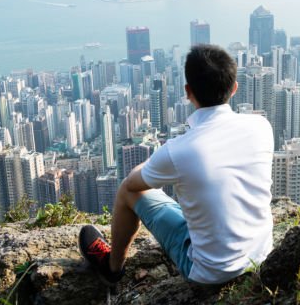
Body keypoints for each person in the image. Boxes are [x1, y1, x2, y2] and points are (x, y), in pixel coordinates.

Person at [79, 44, 274, 286]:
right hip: (262, 257)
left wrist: (155, 162)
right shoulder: (261, 126)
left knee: (126, 191)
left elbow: (133, 183)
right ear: (234, 88)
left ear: (187, 91)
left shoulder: (180, 149)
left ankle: (112, 269)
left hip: (209, 274)